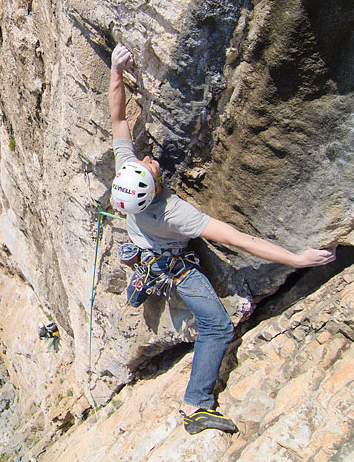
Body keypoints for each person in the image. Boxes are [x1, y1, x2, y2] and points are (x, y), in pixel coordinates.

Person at [108, 44, 335, 435]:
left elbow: (117, 121)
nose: (148, 159)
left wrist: (115, 72)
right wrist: (296, 260)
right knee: (217, 326)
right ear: (156, 187)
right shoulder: (174, 212)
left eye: (144, 162)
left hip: (144, 250)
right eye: (148, 166)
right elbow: (238, 239)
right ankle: (197, 406)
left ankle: (144, 282)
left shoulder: (129, 176)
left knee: (180, 289)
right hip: (171, 264)